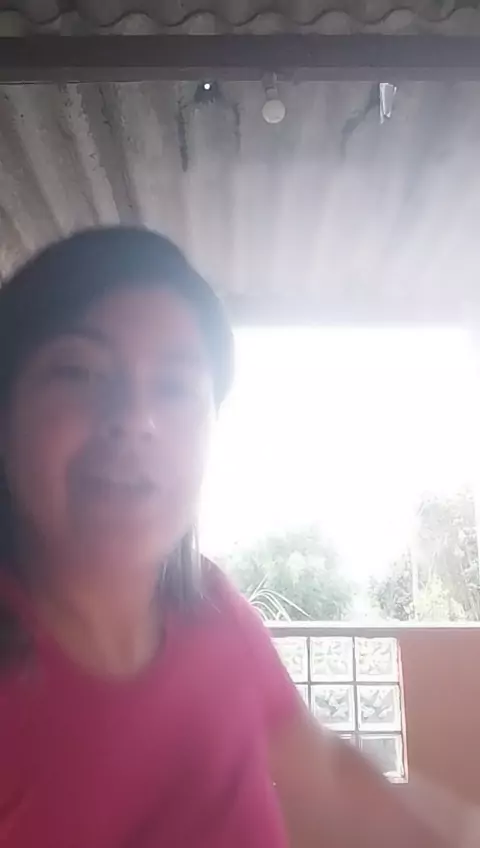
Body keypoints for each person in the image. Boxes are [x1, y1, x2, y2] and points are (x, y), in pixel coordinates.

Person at [0, 227, 451, 848]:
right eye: (78, 372)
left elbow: (327, 782)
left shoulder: (211, 610)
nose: (136, 418)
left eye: (175, 386)